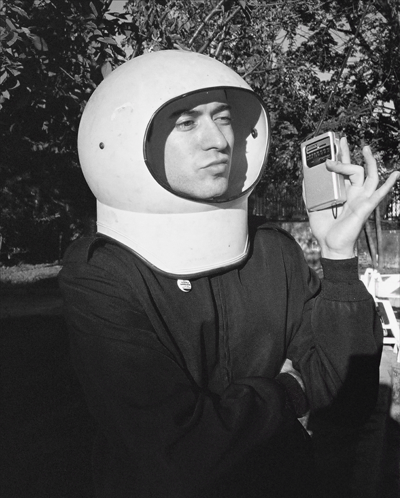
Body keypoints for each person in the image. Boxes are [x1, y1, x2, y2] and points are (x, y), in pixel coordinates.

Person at [59, 50, 399, 498]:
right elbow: (175, 454)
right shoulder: (101, 272)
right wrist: (288, 392)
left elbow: (346, 395)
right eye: (186, 122)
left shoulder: (273, 250)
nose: (218, 139)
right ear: (124, 141)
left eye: (223, 118)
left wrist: (338, 256)